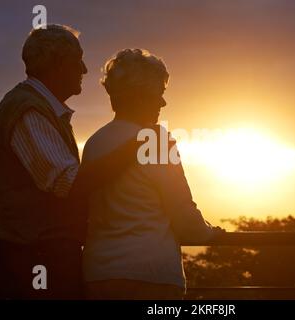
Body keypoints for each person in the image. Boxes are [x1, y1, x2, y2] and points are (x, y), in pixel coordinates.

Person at [0, 25, 141, 299]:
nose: (83, 69)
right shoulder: (28, 110)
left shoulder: (37, 108)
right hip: (37, 260)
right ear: (56, 64)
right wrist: (132, 150)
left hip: (40, 257)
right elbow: (68, 182)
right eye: (77, 60)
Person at [82, 49, 224, 300]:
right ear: (140, 96)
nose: (163, 103)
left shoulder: (94, 143)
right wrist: (211, 233)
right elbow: (183, 215)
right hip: (151, 277)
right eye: (158, 94)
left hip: (100, 276)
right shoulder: (157, 143)